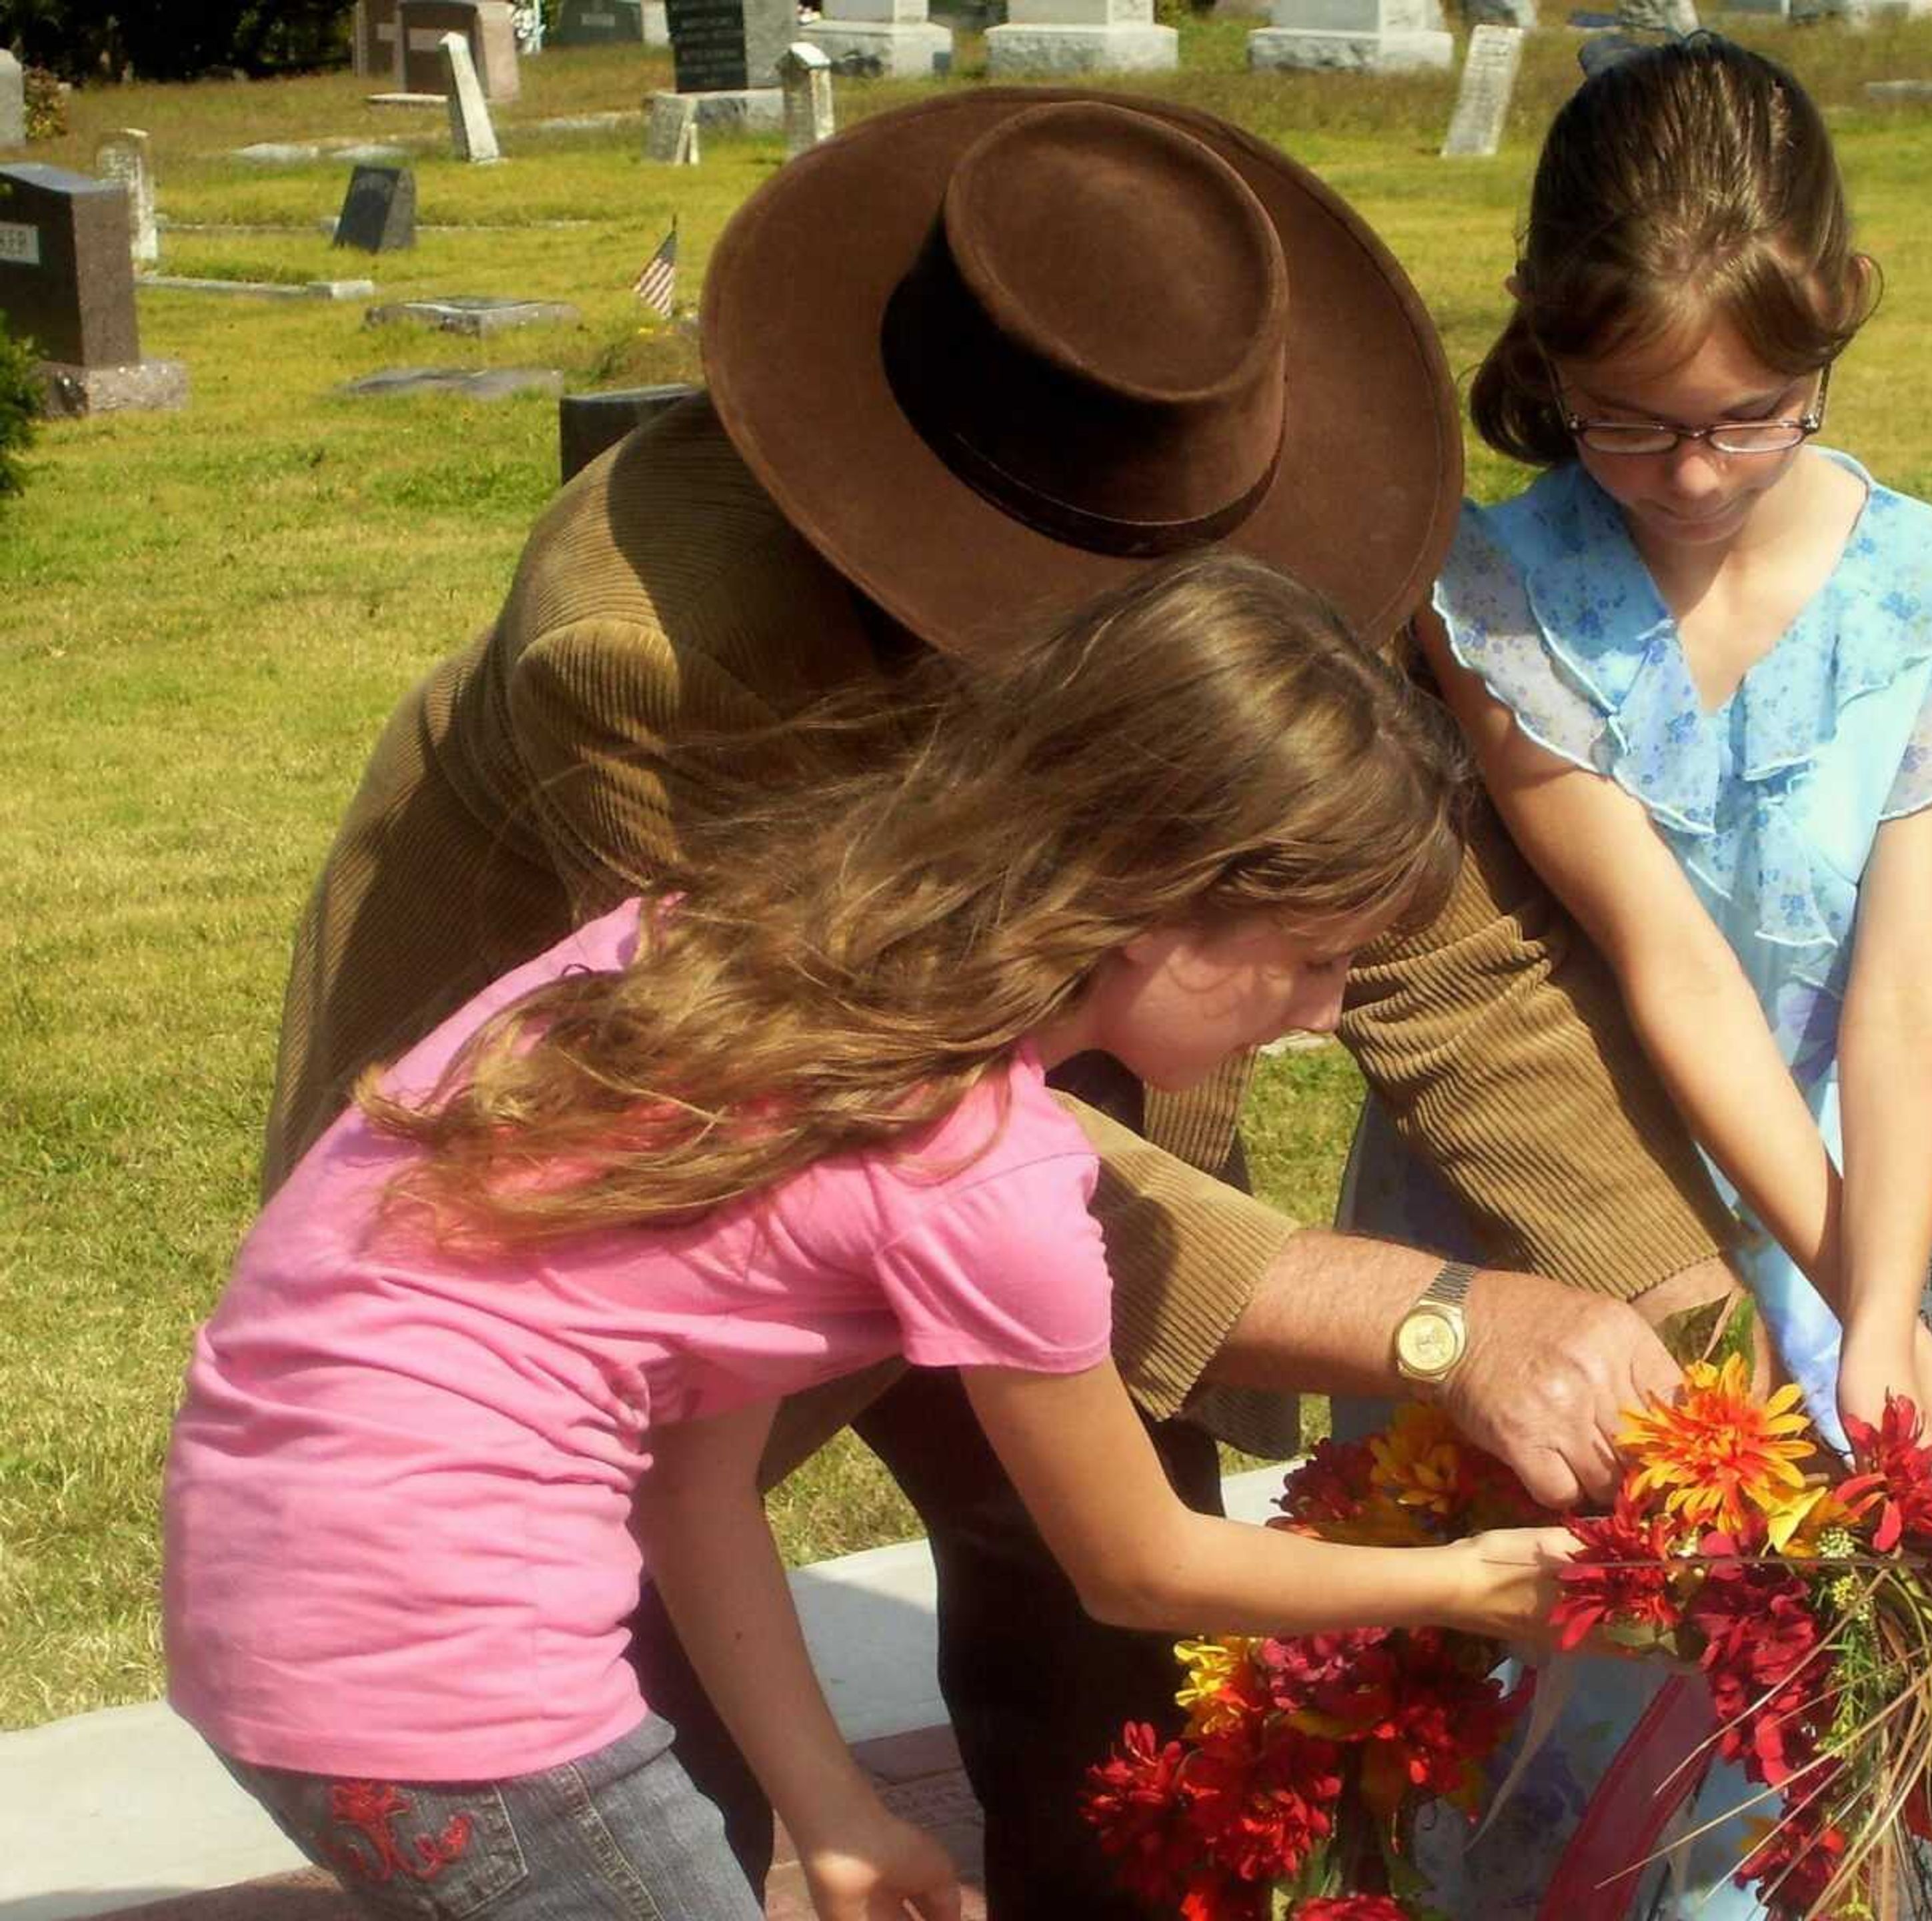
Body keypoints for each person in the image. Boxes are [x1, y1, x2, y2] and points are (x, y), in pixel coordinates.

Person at [257, 89, 1804, 1917]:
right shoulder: (662, 650)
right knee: (654, 1754)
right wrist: (1445, 1325)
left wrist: (1704, 1359)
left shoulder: (1292, 553)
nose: (1321, 1008)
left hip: (1031, 1121)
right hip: (605, 1239)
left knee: (1116, 1719)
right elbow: (860, 1111)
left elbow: (1454, 966)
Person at [165, 553, 1587, 1921]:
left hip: (273, 1595)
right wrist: (1472, 1584)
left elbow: (692, 1475)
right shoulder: (976, 1163)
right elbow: (1139, 1564)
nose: (1325, 1012)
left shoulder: (745, 949)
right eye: (1315, 956)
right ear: (1164, 908)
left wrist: (828, 1803)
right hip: (446, 1667)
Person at [1413, 33, 1932, 1916]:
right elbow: (1667, 958)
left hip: (1840, 1203)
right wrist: (1864, 1296)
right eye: (1627, 421)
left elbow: (1909, 990)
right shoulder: (1499, 596)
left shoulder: (1927, 595)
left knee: (1762, 1795)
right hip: (1567, 1196)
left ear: (1837, 324)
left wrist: (1876, 1311)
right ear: (1543, 349)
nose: (1690, 476)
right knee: (1521, 1746)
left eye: (1753, 415)